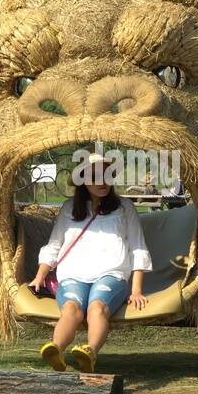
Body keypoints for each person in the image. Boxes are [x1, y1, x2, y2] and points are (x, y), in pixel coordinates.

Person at [30, 153, 152, 373]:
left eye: (106, 175)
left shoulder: (124, 208)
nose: (102, 182)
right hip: (73, 275)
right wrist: (40, 276)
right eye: (95, 177)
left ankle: (90, 352)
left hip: (111, 275)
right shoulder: (69, 208)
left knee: (97, 307)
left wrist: (136, 290)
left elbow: (138, 247)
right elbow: (54, 245)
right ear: (83, 181)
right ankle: (56, 350)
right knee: (71, 309)